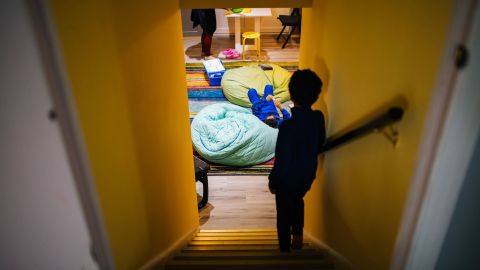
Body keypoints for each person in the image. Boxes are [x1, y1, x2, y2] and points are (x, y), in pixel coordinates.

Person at [268, 69, 326, 252]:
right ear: (316, 96)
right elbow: (320, 144)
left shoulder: (287, 126)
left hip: (286, 180)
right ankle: (298, 238)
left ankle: (285, 248)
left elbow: (282, 159)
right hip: (307, 176)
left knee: (283, 213)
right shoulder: (318, 118)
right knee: (298, 200)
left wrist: (273, 181)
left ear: (291, 94)